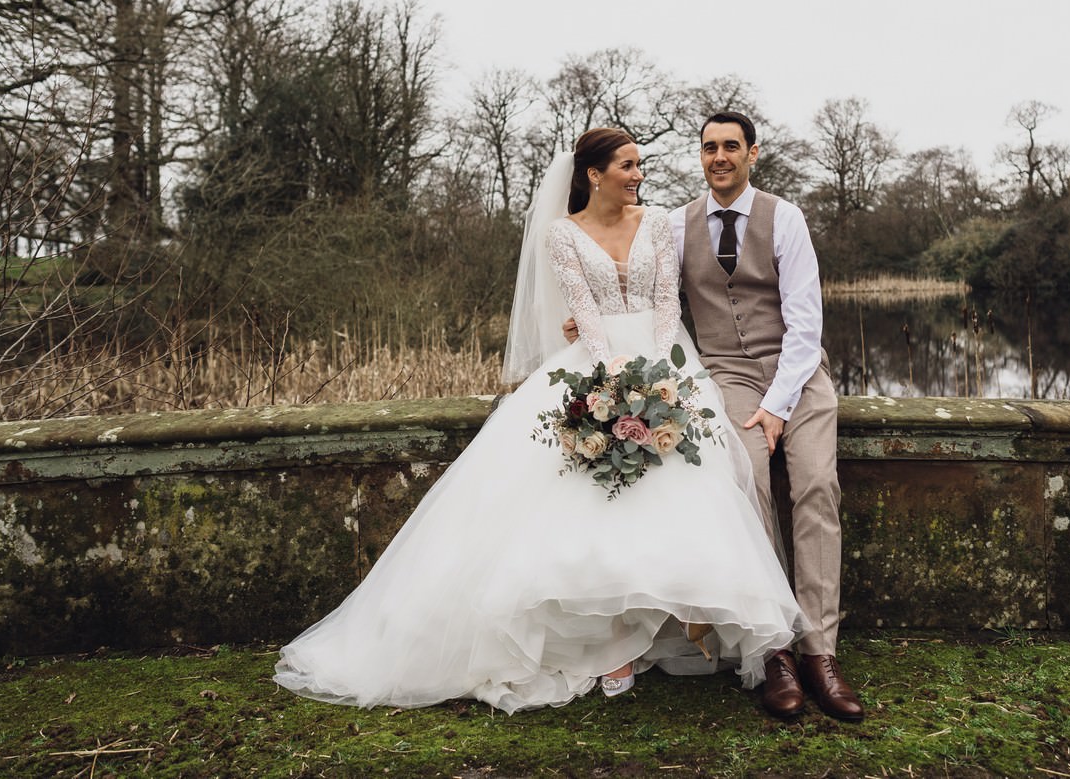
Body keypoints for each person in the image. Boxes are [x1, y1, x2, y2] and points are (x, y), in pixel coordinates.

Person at [273, 128, 805, 713]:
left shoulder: (656, 222)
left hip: (664, 360)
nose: (638, 175)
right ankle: (609, 643)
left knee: (692, 487)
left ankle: (680, 626)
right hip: (595, 364)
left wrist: (658, 377)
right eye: (627, 166)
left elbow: (665, 302)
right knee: (590, 499)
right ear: (594, 175)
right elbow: (584, 311)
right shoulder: (562, 234)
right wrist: (611, 381)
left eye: (640, 165)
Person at [673, 111, 863, 722]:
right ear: (700, 156)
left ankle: (820, 652)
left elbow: (806, 325)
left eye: (731, 146)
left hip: (797, 371)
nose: (719, 157)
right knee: (747, 483)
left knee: (816, 486)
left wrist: (778, 405)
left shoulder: (785, 217)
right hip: (726, 373)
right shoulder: (676, 226)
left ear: (753, 153)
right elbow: (653, 299)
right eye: (709, 147)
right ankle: (774, 649)